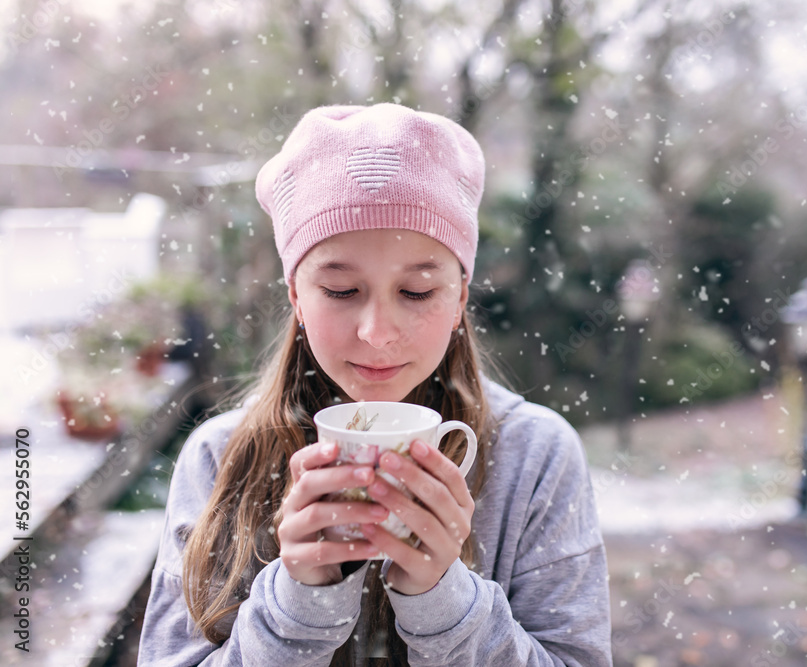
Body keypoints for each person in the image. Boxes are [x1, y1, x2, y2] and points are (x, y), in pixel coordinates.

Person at [137, 103, 612, 666]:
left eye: (416, 292)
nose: (378, 333)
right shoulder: (220, 459)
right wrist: (298, 604)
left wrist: (446, 600)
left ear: (460, 297)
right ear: (296, 297)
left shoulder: (536, 457)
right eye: (341, 291)